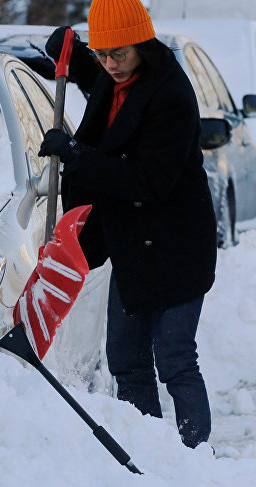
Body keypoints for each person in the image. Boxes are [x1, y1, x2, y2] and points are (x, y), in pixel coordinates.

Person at [38, 0, 217, 449]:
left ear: (142, 44)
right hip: (135, 246)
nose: (111, 64)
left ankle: (196, 457)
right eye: (102, 53)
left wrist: (79, 158)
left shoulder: (170, 94)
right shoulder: (115, 75)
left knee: (174, 356)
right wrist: (72, 51)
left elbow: (148, 180)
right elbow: (97, 79)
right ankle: (149, 450)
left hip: (176, 247)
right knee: (126, 360)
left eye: (119, 53)